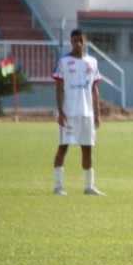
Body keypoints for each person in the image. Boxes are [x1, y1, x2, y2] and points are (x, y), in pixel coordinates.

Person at [52, 29, 104, 196]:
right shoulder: (64, 62)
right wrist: (61, 112)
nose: (78, 44)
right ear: (71, 41)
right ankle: (58, 186)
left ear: (85, 40)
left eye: (80, 40)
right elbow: (59, 88)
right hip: (69, 113)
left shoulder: (92, 62)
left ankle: (89, 187)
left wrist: (97, 112)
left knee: (87, 149)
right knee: (63, 147)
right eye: (75, 41)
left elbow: (94, 88)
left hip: (87, 113)